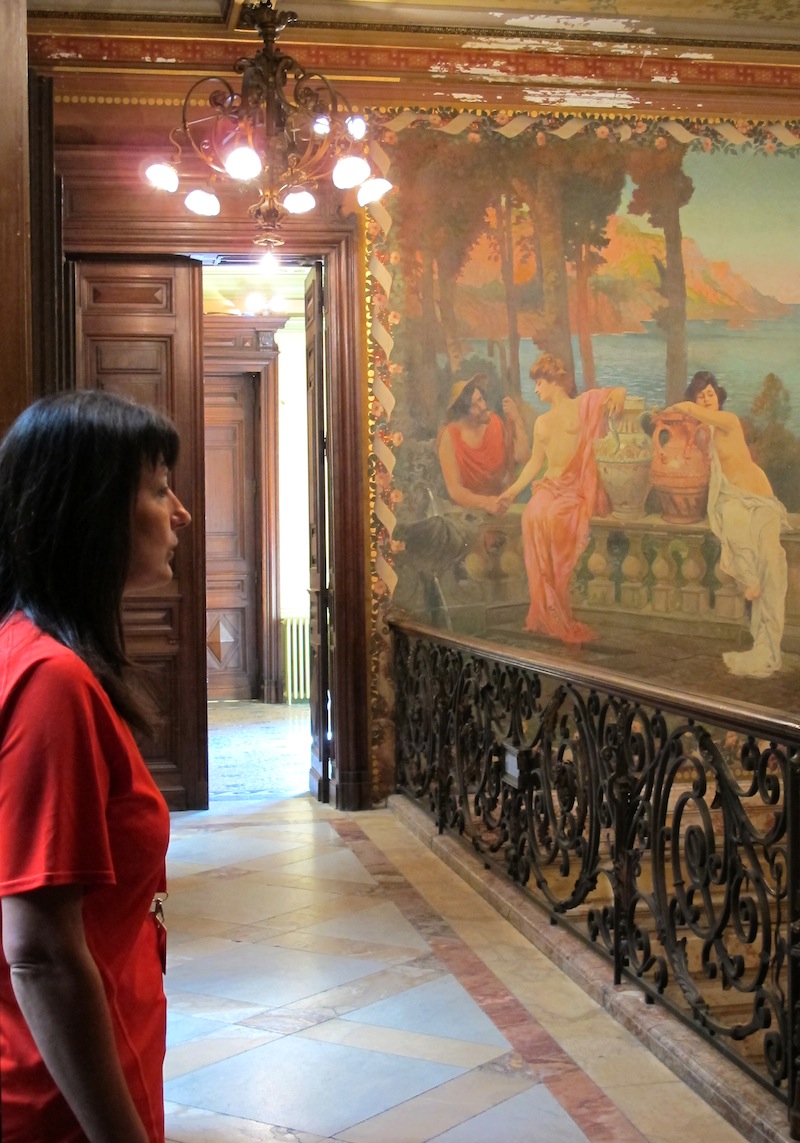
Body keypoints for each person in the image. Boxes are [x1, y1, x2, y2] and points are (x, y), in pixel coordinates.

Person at [0, 390, 191, 1142]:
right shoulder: (52, 683)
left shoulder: (32, 650)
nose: (180, 513)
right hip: (62, 1102)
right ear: (94, 508)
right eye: (159, 489)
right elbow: (42, 953)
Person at [498, 354, 625, 643]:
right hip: (550, 485)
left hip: (575, 488)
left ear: (555, 381)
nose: (536, 389)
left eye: (539, 383)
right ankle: (546, 608)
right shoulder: (541, 422)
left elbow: (614, 393)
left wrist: (618, 394)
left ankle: (559, 601)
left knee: (557, 517)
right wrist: (510, 492)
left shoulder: (583, 405)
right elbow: (534, 463)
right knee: (533, 514)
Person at [670, 370, 788, 678]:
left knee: (771, 564)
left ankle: (768, 645)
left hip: (760, 499)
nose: (707, 398)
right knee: (733, 522)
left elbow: (688, 410)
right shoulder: (706, 433)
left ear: (717, 396)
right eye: (701, 395)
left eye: (710, 393)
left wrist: (679, 407)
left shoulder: (728, 421)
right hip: (735, 497)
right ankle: (749, 580)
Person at [437, 374, 528, 513]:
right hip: (467, 512)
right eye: (474, 405)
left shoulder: (495, 423)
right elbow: (455, 490)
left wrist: (517, 421)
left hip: (501, 506)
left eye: (480, 399)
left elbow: (523, 457)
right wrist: (486, 503)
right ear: (462, 412)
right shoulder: (449, 437)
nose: (483, 406)